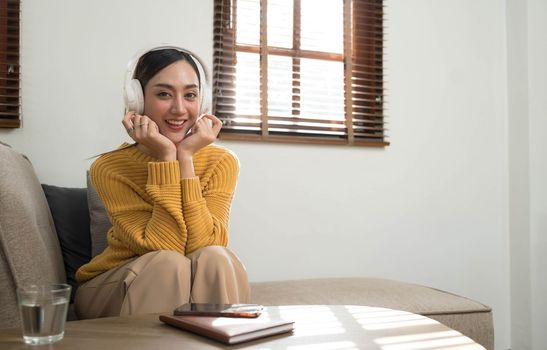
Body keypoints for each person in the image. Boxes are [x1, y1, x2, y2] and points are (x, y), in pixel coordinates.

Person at [74, 46, 250, 319]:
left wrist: (186, 158)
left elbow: (203, 244)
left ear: (202, 103)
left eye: (190, 95)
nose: (180, 108)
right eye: (164, 94)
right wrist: (166, 157)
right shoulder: (108, 168)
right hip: (112, 285)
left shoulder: (222, 162)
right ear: (138, 101)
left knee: (215, 256)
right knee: (168, 263)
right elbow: (161, 246)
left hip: (181, 277)